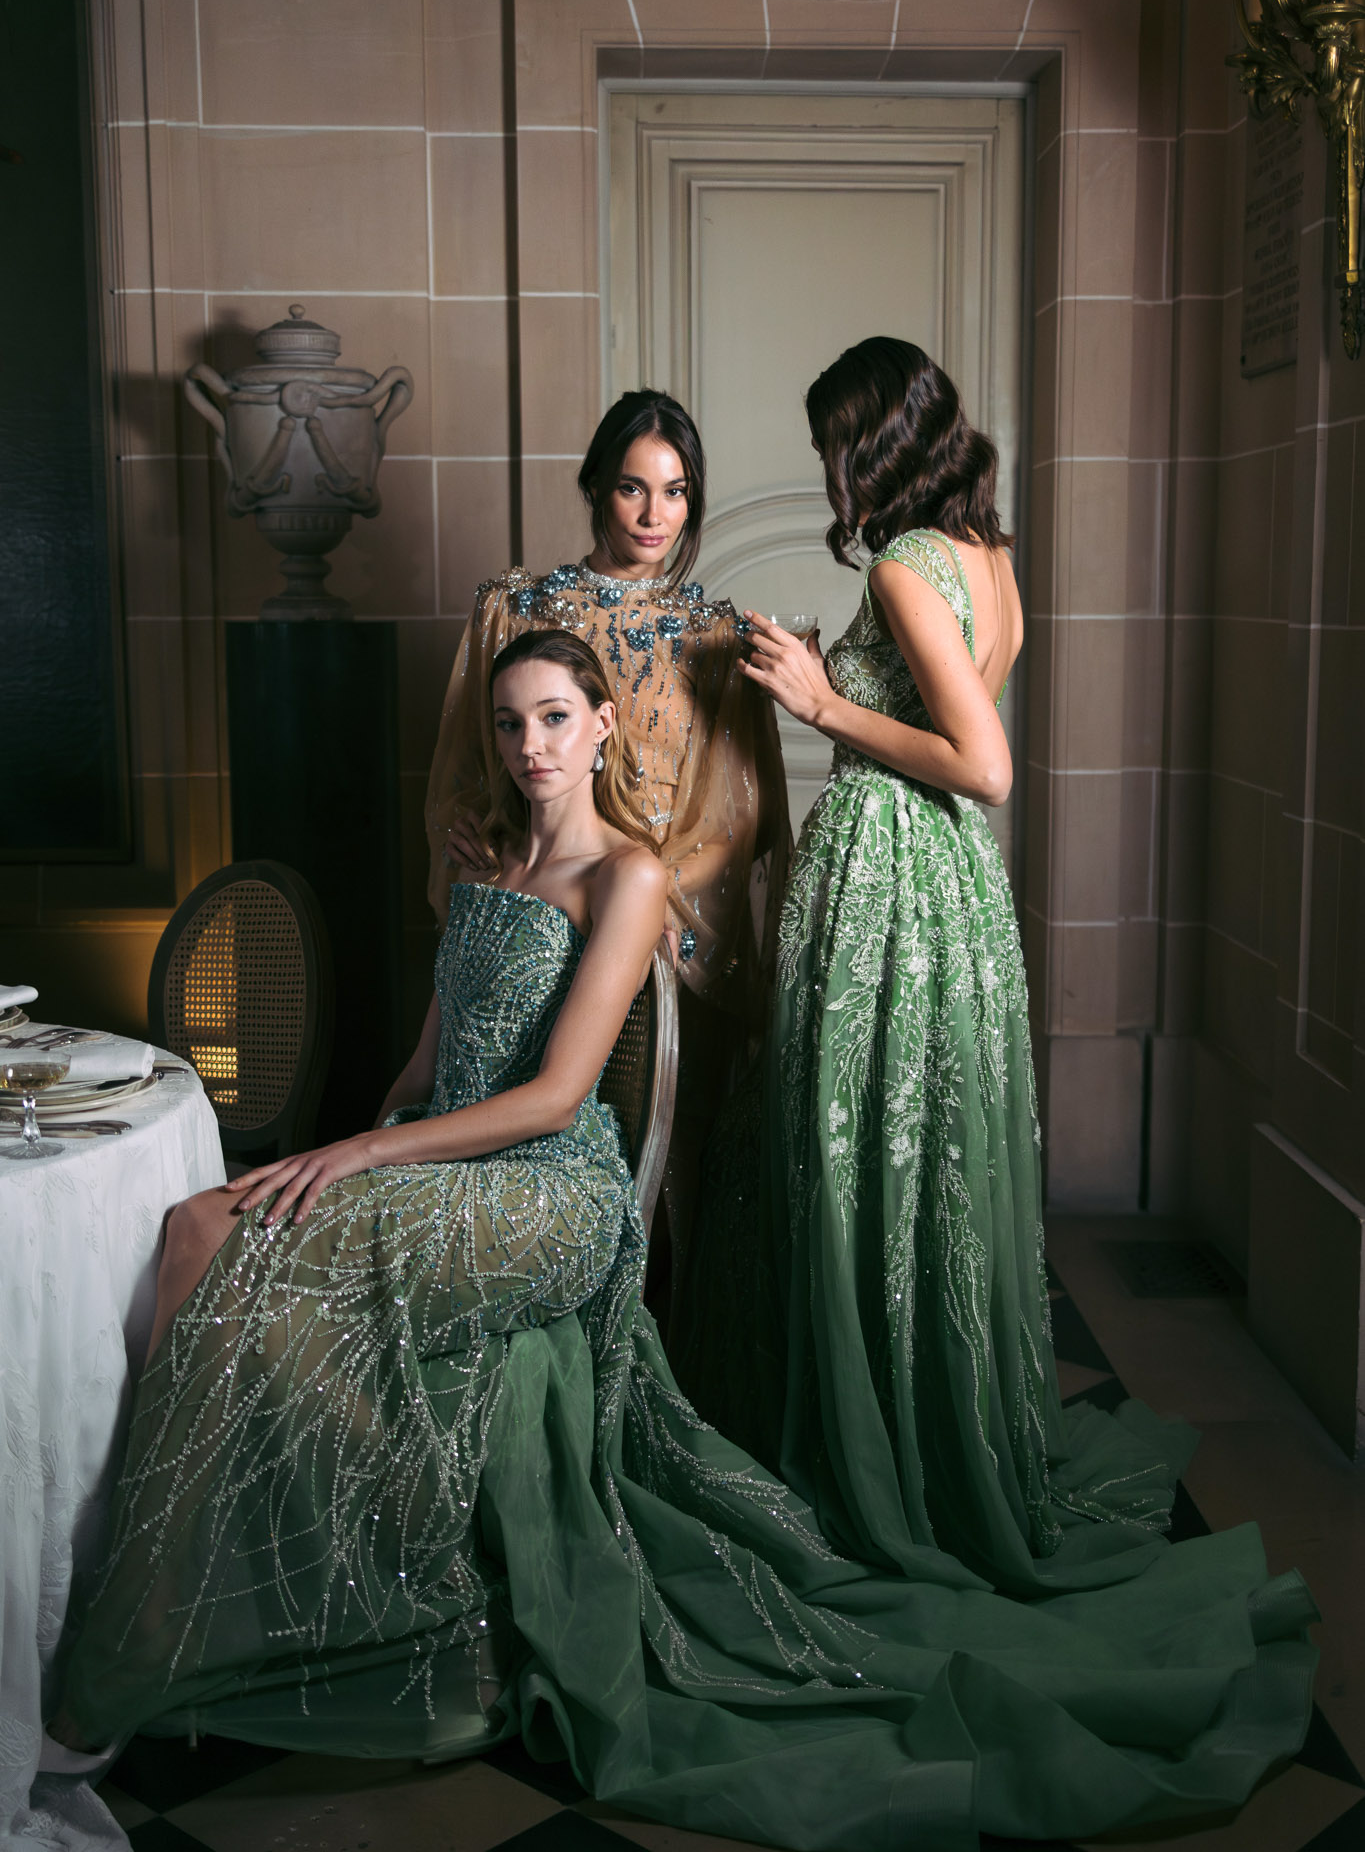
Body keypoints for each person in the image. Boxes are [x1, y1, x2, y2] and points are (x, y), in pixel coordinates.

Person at [50, 627, 1315, 1851]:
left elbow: (555, 1097)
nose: (532, 744)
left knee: (226, 1243)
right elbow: (425, 1068)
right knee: (200, 1221)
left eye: (555, 718)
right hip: (444, 1154)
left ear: (603, 726)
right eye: (510, 722)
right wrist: (355, 1135)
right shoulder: (481, 862)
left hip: (547, 1188)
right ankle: (236, 1591)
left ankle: (184, 1625)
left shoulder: (629, 873)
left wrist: (361, 1158)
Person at [675, 337, 1283, 1600]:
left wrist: (820, 702)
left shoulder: (904, 562)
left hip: (897, 865)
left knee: (856, 1148)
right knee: (920, 1150)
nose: (825, 473)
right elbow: (959, 703)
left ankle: (870, 1444)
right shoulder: (991, 554)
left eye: (832, 448)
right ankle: (918, 1409)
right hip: (956, 882)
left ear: (873, 446)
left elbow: (984, 761)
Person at [425, 389, 789, 1315]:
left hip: (666, 931)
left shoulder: (717, 637)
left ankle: (651, 1358)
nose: (655, 515)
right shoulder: (512, 609)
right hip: (535, 915)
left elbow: (736, 820)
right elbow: (472, 768)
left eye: (675, 492)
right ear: (596, 489)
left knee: (669, 1152)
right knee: (497, 1107)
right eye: (632, 489)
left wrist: (652, 905)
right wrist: (479, 844)